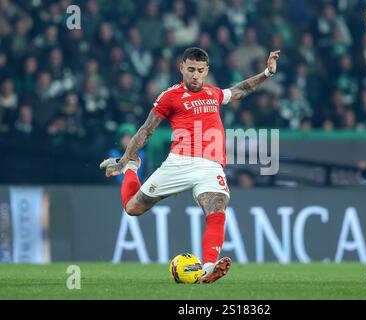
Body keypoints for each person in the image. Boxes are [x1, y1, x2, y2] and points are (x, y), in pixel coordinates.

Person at [100, 47, 281, 283]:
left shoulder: (213, 93)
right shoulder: (170, 96)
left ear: (207, 71)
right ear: (182, 68)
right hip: (179, 162)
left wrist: (266, 73)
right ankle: (132, 168)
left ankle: (208, 269)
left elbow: (241, 89)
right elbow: (146, 130)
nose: (195, 75)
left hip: (211, 166)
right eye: (191, 70)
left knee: (216, 208)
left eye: (200, 71)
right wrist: (125, 160)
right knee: (132, 208)